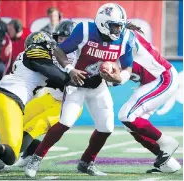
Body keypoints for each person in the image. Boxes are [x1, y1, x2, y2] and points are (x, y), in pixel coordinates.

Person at [25, 3, 135, 178]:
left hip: (98, 85)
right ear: (102, 23)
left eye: (120, 25)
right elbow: (60, 50)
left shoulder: (126, 37)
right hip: (77, 84)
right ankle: (36, 158)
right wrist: (70, 70)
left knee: (106, 127)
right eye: (114, 25)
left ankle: (86, 162)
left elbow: (128, 66)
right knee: (65, 123)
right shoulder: (84, 30)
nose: (118, 29)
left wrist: (120, 78)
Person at [0, 20, 83, 175]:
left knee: (34, 127)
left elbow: (60, 76)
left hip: (67, 102)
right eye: (60, 38)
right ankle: (27, 153)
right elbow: (53, 75)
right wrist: (66, 77)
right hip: (46, 97)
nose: (61, 42)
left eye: (66, 39)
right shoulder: (47, 54)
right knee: (21, 124)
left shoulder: (82, 55)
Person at [114, 23, 180, 173]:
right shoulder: (115, 43)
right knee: (129, 124)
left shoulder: (126, 38)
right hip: (150, 83)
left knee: (127, 115)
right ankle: (168, 164)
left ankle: (166, 142)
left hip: (163, 78)